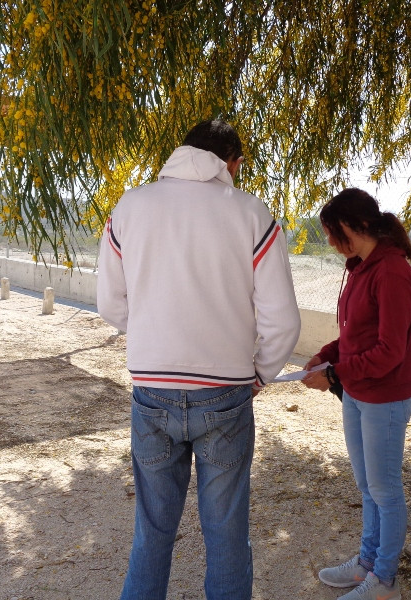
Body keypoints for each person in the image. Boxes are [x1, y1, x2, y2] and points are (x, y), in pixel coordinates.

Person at [96, 119, 301, 600]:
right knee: (227, 538)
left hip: (152, 394)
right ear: (232, 162)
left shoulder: (131, 206)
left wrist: (152, 336)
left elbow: (110, 303)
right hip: (226, 396)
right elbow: (283, 322)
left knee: (152, 533)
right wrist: (259, 374)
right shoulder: (252, 215)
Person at [301, 188, 411, 600]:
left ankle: (384, 581)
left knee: (386, 491)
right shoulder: (361, 267)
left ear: (360, 226)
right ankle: (367, 564)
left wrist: (333, 374)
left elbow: (390, 351)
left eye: (336, 233)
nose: (331, 243)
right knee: (368, 488)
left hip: (384, 398)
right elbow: (356, 334)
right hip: (358, 393)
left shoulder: (392, 272)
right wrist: (326, 355)